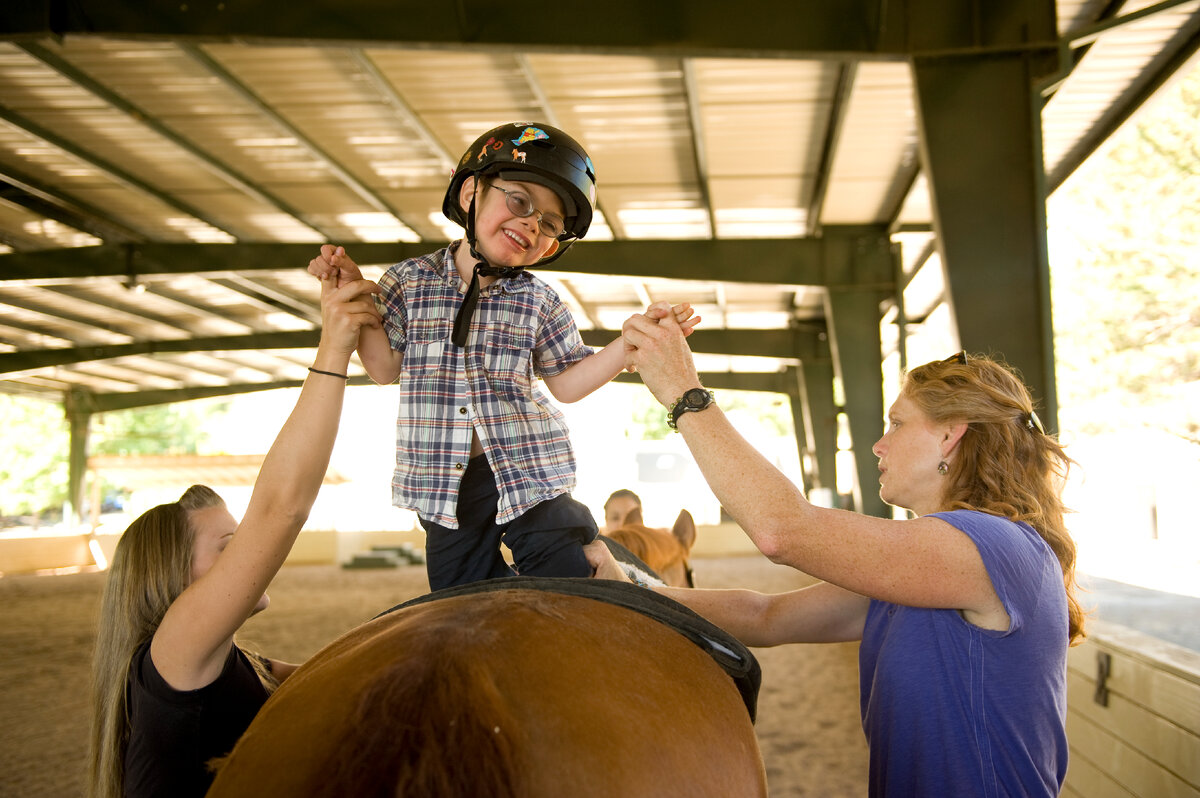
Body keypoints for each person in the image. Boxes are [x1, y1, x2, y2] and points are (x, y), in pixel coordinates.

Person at [586, 304, 1086, 798]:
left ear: (950, 436)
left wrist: (680, 389)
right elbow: (767, 617)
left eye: (897, 424)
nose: (878, 444)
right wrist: (630, 588)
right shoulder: (925, 569)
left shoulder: (991, 545)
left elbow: (783, 531)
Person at [307, 122, 697, 590]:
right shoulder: (407, 282)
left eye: (549, 224)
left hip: (528, 469)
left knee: (571, 581)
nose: (533, 224)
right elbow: (384, 368)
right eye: (520, 202)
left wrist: (627, 345)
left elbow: (568, 382)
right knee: (459, 605)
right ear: (471, 193)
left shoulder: (540, 301)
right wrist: (355, 298)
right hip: (443, 485)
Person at [88, 275, 381, 798]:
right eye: (230, 546)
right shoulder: (173, 651)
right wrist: (335, 347)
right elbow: (281, 509)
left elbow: (344, 676)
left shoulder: (237, 662)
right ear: (175, 578)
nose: (250, 552)